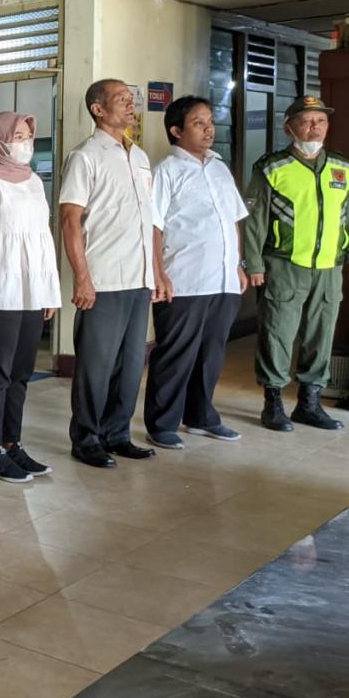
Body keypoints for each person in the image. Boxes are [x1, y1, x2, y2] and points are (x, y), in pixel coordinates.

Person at [59, 79, 159, 468]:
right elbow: (70, 220)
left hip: (139, 277)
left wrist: (156, 273)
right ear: (98, 110)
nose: (131, 105)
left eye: (131, 99)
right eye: (121, 100)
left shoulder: (139, 156)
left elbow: (149, 220)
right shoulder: (85, 156)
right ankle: (86, 438)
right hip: (104, 278)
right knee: (95, 366)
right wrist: (82, 278)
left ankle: (117, 434)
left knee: (131, 365)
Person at [144, 96, 248, 448]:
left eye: (210, 122)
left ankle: (202, 417)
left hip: (223, 278)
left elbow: (232, 220)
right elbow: (153, 225)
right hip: (184, 279)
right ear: (176, 131)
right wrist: (159, 273)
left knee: (211, 354)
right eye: (198, 123)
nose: (209, 129)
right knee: (176, 354)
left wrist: (238, 264)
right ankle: (162, 424)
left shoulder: (219, 167)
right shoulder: (166, 170)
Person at [243, 95, 348, 432]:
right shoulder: (272, 167)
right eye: (306, 121)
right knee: (277, 332)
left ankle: (309, 403)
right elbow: (255, 219)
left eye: (321, 121)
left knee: (321, 335)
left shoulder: (342, 167)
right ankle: (273, 401)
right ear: (289, 128)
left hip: (329, 267)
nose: (314, 127)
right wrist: (253, 263)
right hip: (284, 265)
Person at [0, 111, 60, 481]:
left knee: (21, 373)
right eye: (16, 136)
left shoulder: (33, 180)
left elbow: (42, 238)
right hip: (0, 293)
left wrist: (49, 291)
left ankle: (12, 442)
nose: (24, 143)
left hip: (31, 292)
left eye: (27, 135)